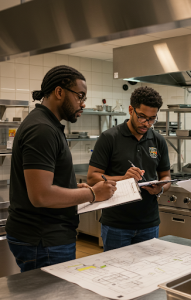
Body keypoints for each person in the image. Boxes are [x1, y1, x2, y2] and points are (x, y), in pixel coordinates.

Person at [6, 65, 116, 272]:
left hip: (43, 237)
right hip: (44, 239)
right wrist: (92, 193)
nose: (82, 104)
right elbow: (41, 195)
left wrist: (74, 187)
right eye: (80, 96)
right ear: (59, 92)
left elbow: (45, 182)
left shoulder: (45, 124)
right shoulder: (42, 130)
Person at [87, 86, 171, 251]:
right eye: (142, 117)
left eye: (152, 119)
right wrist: (123, 179)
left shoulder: (158, 140)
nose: (146, 124)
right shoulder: (109, 138)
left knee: (149, 274)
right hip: (116, 224)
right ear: (131, 110)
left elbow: (166, 176)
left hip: (149, 223)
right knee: (115, 273)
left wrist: (160, 189)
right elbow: (92, 177)